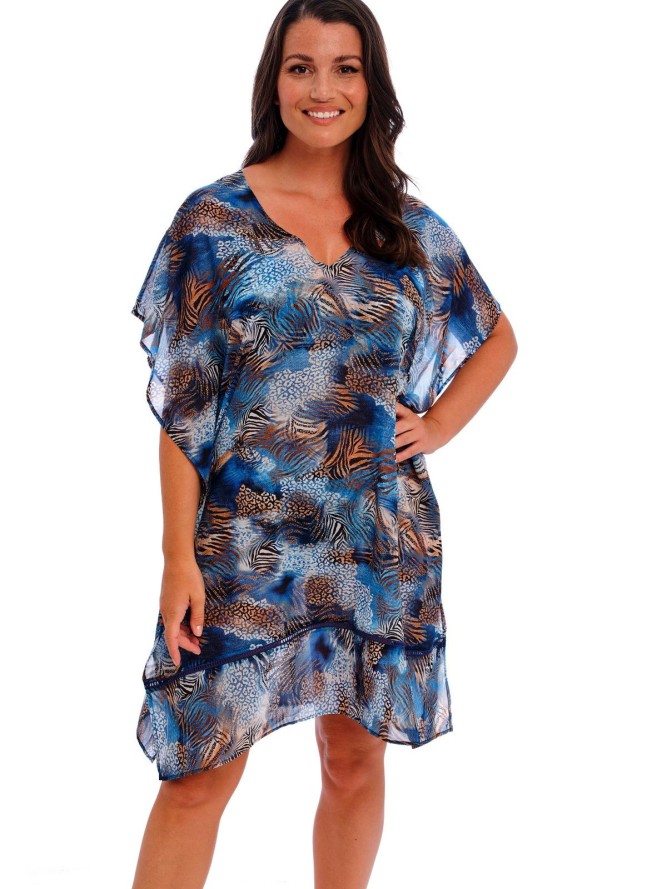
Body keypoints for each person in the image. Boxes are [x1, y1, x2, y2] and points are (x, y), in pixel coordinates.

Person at [129, 1, 518, 886]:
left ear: (371, 86)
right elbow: (184, 408)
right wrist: (176, 556)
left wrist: (437, 424)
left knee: (353, 759)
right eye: (301, 66)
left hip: (375, 538)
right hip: (244, 545)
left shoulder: (406, 226)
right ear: (274, 81)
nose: (323, 88)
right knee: (198, 773)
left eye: (346, 67)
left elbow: (496, 337)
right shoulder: (213, 224)